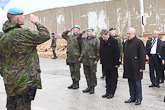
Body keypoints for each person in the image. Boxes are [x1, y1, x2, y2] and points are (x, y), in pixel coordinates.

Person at [0, 7, 50, 110]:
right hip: (24, 82)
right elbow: (45, 35)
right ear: (18, 18)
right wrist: (36, 22)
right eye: (23, 16)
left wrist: (5, 73)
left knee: (11, 106)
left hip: (9, 81)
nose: (24, 18)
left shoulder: (3, 37)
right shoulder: (23, 34)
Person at [123, 27, 146, 105]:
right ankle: (132, 97)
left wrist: (141, 67)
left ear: (134, 33)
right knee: (130, 82)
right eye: (127, 33)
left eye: (129, 34)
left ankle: (139, 98)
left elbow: (142, 55)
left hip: (136, 66)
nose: (128, 35)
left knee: (137, 83)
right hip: (129, 66)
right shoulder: (126, 43)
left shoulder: (139, 42)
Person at [100, 29, 120, 99]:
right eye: (102, 37)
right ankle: (107, 91)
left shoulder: (114, 41)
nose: (103, 38)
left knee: (113, 78)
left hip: (113, 63)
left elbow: (117, 53)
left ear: (107, 35)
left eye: (104, 37)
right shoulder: (102, 41)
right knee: (107, 78)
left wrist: (117, 63)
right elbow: (101, 52)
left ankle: (112, 92)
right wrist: (102, 62)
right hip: (105, 63)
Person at [79, 27, 100, 94]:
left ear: (92, 32)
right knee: (86, 73)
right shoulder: (84, 39)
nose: (88, 32)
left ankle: (92, 87)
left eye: (89, 31)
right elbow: (78, 40)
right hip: (85, 59)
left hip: (92, 59)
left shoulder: (96, 40)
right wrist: (81, 34)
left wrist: (97, 59)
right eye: (87, 31)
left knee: (92, 74)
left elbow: (98, 51)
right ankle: (88, 86)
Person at [62, 25, 82, 89]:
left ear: (79, 30)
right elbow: (63, 35)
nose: (74, 30)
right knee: (72, 71)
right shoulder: (70, 37)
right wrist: (68, 31)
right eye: (74, 29)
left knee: (76, 71)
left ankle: (77, 83)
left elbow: (82, 48)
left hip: (76, 57)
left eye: (76, 29)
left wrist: (81, 57)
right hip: (70, 57)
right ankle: (73, 82)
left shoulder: (79, 37)